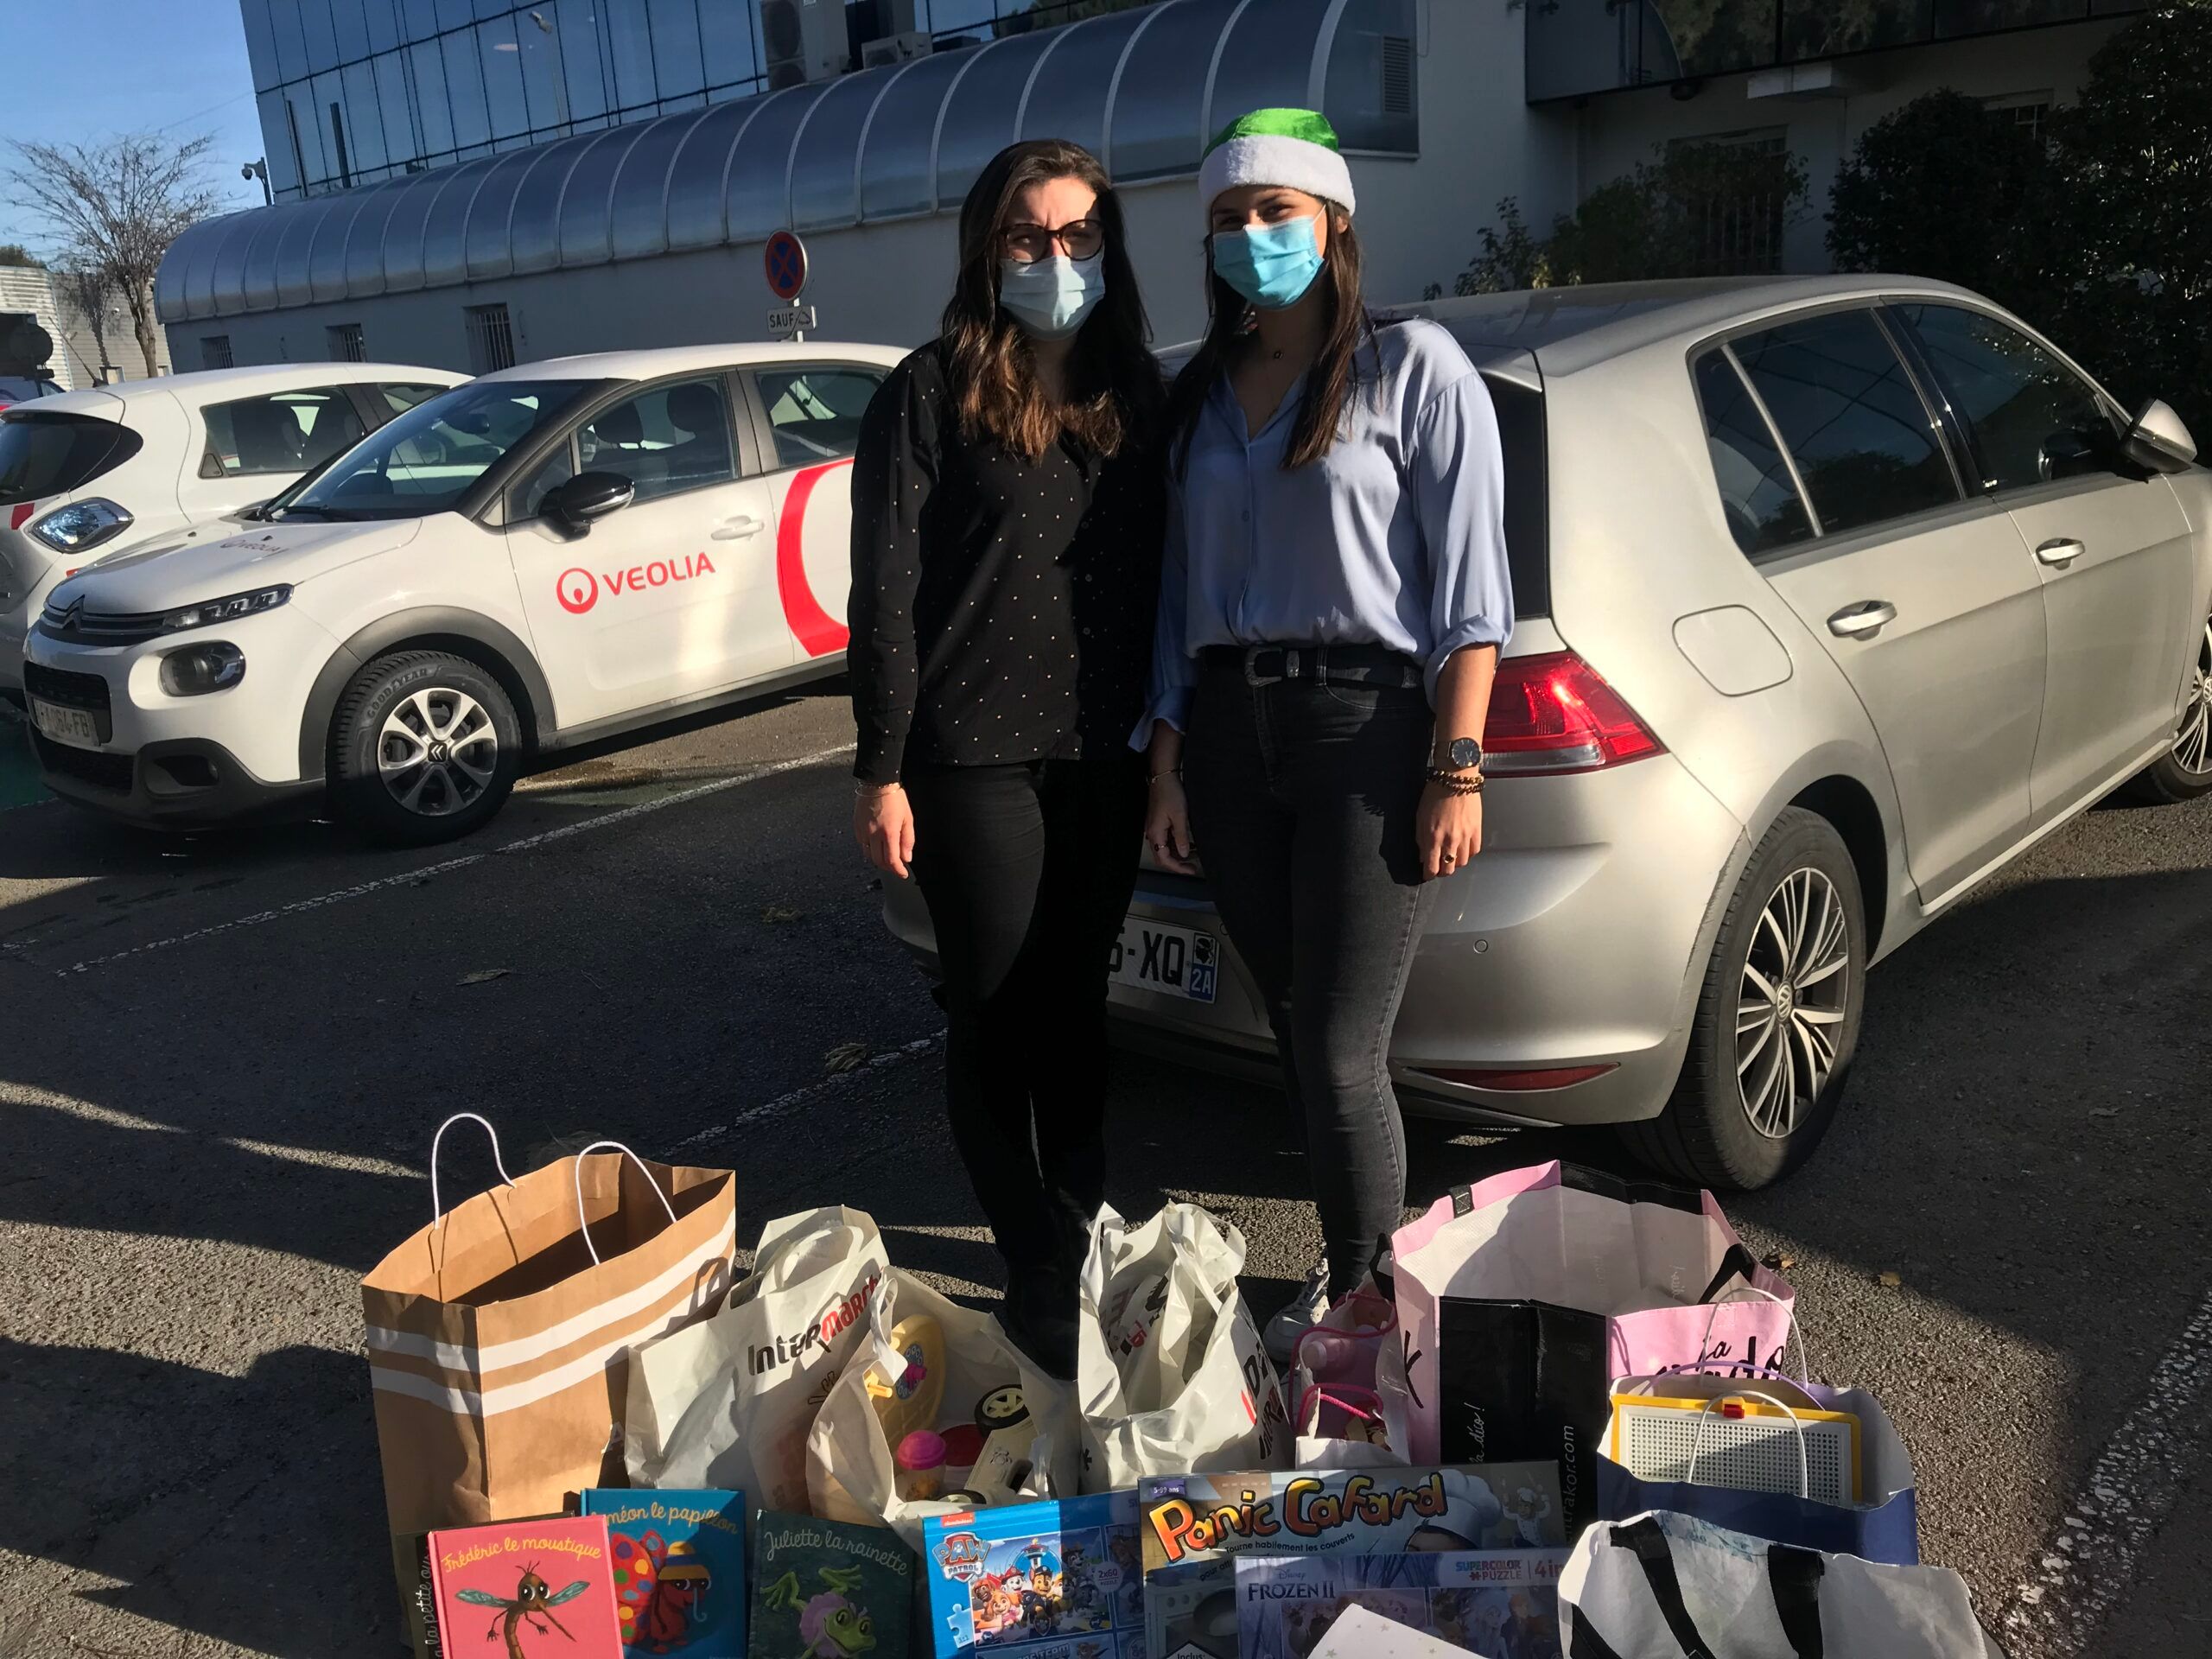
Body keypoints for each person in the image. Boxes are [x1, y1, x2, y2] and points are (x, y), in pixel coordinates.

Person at [1137, 108, 1514, 1360]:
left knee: (1345, 1047)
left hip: (1367, 734)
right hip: (1230, 737)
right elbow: (1180, 599)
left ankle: (1366, 1299)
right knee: (1298, 1028)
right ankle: (1358, 1277)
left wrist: (1457, 764)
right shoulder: (1200, 396)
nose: (1250, 236)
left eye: (1274, 212)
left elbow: (1473, 597)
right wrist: (1168, 767)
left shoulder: (1413, 370)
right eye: (1228, 218)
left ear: (1334, 222)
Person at [849, 138, 1165, 1378]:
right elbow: (885, 593)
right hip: (970, 755)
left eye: (1079, 235)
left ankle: (1078, 1225)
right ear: (988, 248)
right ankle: (1031, 1256)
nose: (1056, 257)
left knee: (1079, 1004)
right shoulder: (928, 393)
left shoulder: (1135, 392)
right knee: (998, 1012)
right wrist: (879, 766)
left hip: (1103, 750)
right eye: (1029, 235)